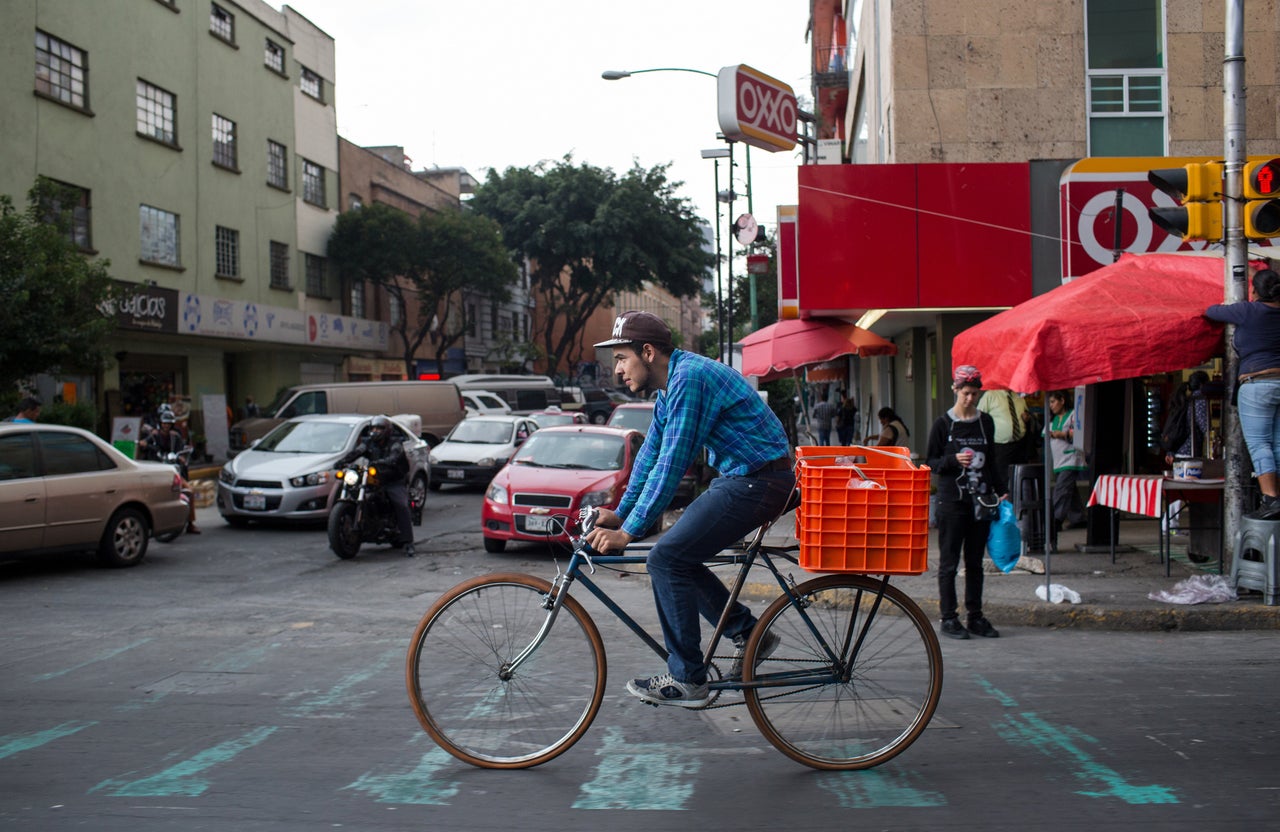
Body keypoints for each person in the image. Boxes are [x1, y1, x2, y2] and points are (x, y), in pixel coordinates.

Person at [585, 311, 795, 707]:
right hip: (744, 478)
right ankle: (749, 634)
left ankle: (688, 678)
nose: (617, 372)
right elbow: (651, 454)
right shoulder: (671, 387)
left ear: (647, 352)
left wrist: (629, 532)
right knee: (678, 556)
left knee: (666, 559)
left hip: (760, 481)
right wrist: (620, 513)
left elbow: (672, 464)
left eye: (621, 359)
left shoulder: (689, 380)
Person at [925, 365, 1008, 640]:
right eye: (966, 393)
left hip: (980, 501)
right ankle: (949, 617)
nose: (970, 399)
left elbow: (993, 459)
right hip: (952, 503)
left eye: (974, 394)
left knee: (975, 562)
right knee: (949, 563)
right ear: (955, 391)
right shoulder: (943, 424)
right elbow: (930, 462)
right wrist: (952, 460)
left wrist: (1001, 490)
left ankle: (976, 616)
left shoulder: (986, 422)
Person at [1205, 268, 1280, 519]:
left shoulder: (1248, 310)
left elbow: (1212, 311)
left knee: (1260, 444)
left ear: (1255, 291)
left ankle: (1271, 500)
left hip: (1257, 383)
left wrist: (1234, 303)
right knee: (1278, 444)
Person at [335, 415, 415, 556]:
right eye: (373, 428)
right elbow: (357, 452)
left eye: (379, 428)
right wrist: (342, 462)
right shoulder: (369, 442)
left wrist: (383, 462)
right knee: (355, 488)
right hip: (375, 476)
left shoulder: (395, 442)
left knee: (400, 504)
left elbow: (395, 456)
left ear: (387, 430)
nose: (376, 431)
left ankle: (408, 542)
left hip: (393, 479)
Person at [139, 410, 200, 534]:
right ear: (160, 424)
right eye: (164, 423)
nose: (166, 426)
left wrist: (182, 457)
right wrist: (144, 444)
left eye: (168, 424)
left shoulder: (175, 437)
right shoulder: (154, 435)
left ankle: (190, 524)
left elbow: (182, 449)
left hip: (173, 473)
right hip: (157, 474)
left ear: (172, 425)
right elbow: (143, 445)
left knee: (189, 491)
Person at [1045, 390, 1087, 531]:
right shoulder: (1052, 420)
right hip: (1059, 460)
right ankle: (1078, 517)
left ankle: (1055, 520)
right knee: (1069, 489)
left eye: (1053, 402)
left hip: (1071, 459)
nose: (1051, 406)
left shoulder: (1073, 415)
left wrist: (1062, 435)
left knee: (1062, 489)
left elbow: (1079, 432)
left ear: (1062, 400)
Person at [976, 387, 1034, 486]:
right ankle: (1002, 499)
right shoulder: (990, 395)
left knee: (1019, 478)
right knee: (1002, 478)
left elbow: (1026, 414)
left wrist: (1027, 417)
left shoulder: (1019, 396)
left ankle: (1015, 500)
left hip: (1019, 444)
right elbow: (979, 418)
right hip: (1000, 446)